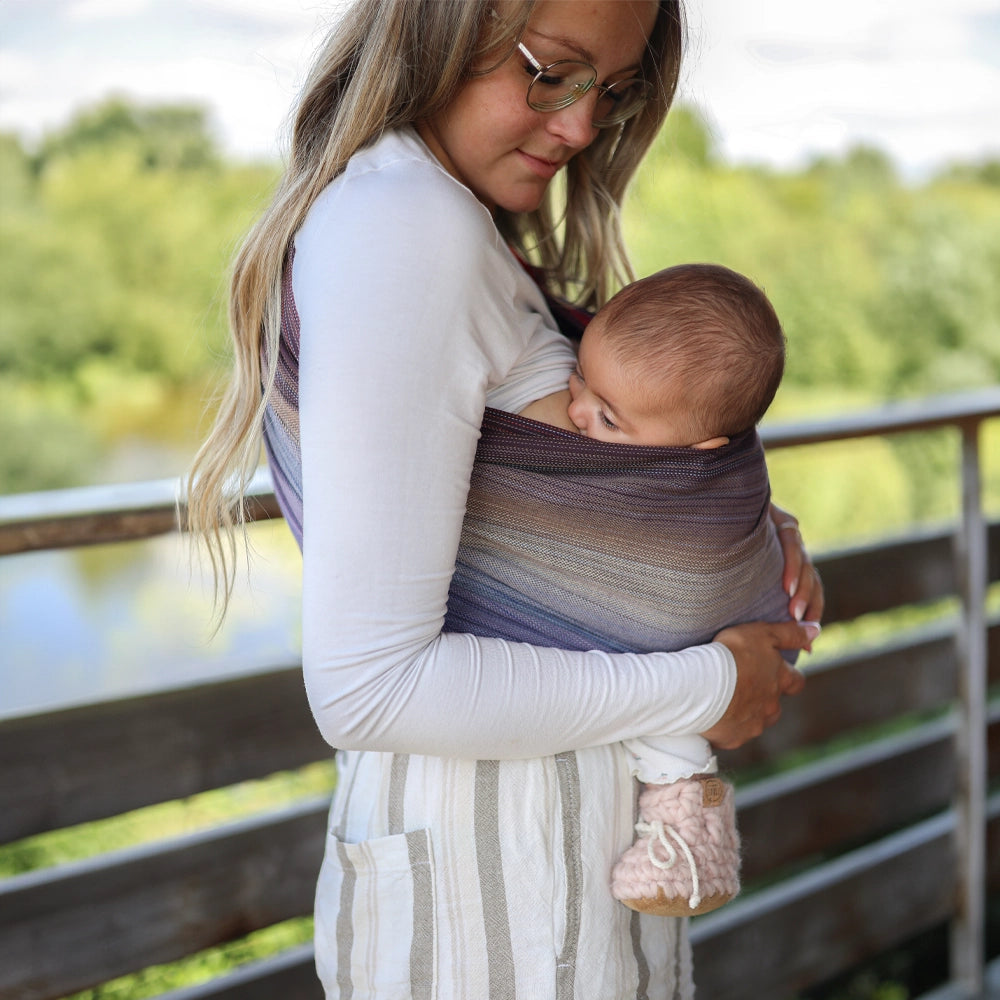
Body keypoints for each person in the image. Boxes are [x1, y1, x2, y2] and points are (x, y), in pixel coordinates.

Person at [186, 2, 824, 997]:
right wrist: (708, 681)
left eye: (608, 92)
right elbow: (368, 688)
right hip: (501, 898)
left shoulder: (446, 220)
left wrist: (726, 527)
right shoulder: (402, 227)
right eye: (548, 70)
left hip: (544, 876)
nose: (578, 128)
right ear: (438, 25)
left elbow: (585, 487)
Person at [450, 261, 801, 918]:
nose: (578, 410)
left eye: (609, 420)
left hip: (703, 645)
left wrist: (772, 523)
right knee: (651, 651)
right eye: (578, 378)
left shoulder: (698, 466)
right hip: (607, 721)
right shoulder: (537, 348)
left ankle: (689, 823)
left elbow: (707, 540)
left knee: (659, 645)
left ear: (704, 447)